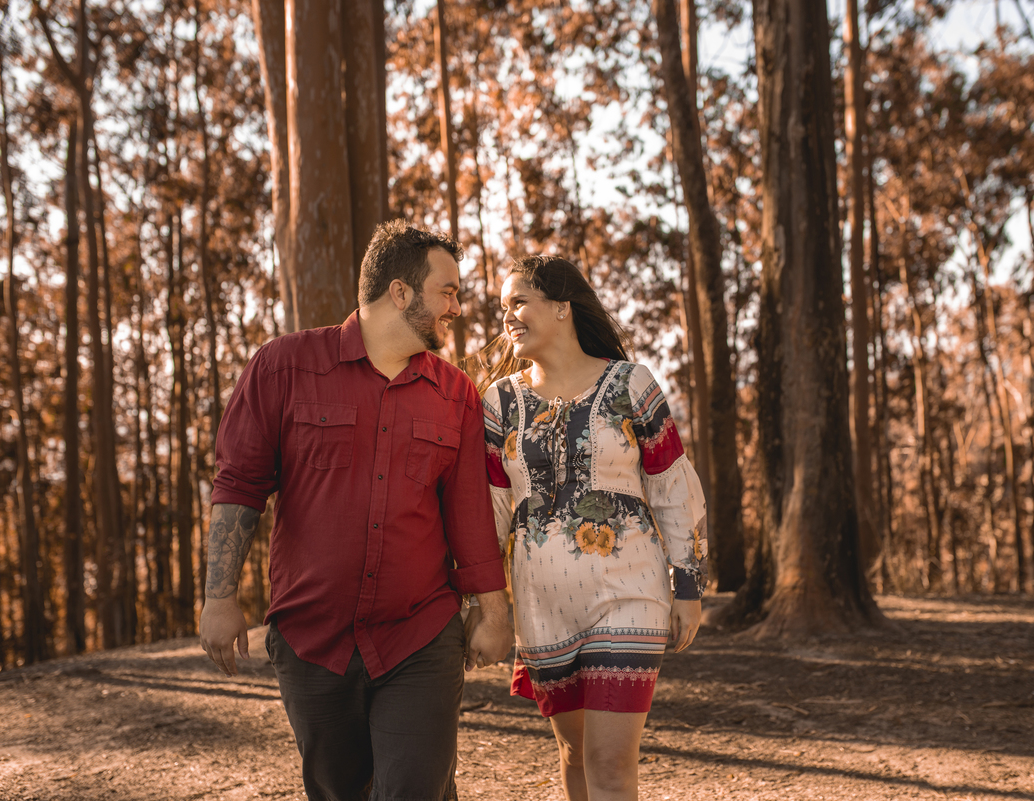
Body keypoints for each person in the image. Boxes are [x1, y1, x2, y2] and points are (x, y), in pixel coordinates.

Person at [198, 221, 514, 801]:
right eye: (446, 291)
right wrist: (220, 597)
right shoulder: (283, 367)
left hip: (420, 635)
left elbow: (469, 518)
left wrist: (494, 612)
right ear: (400, 292)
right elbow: (239, 486)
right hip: (312, 641)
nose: (457, 307)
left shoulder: (457, 394)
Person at [479, 256, 708, 801]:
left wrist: (689, 586)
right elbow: (491, 508)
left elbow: (674, 488)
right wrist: (484, 604)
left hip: (629, 596)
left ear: (562, 307)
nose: (506, 316)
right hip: (542, 606)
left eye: (518, 301)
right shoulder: (499, 403)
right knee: (574, 756)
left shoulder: (632, 385)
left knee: (609, 762)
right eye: (501, 307)